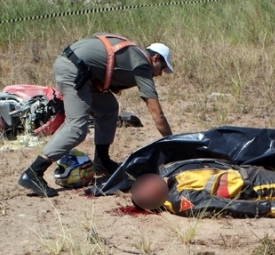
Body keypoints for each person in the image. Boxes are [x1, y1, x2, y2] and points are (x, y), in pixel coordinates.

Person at [18, 33, 174, 198]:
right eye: (162, 68)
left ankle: (102, 160)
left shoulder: (133, 53)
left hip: (81, 70)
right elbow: (158, 115)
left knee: (108, 107)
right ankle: (34, 172)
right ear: (155, 58)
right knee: (77, 127)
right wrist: (173, 144)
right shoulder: (142, 64)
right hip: (74, 70)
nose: (160, 74)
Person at [129, 148, 275, 218]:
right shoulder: (181, 199)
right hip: (252, 186)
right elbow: (219, 205)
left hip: (242, 168)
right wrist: (265, 209)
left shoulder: (168, 173)